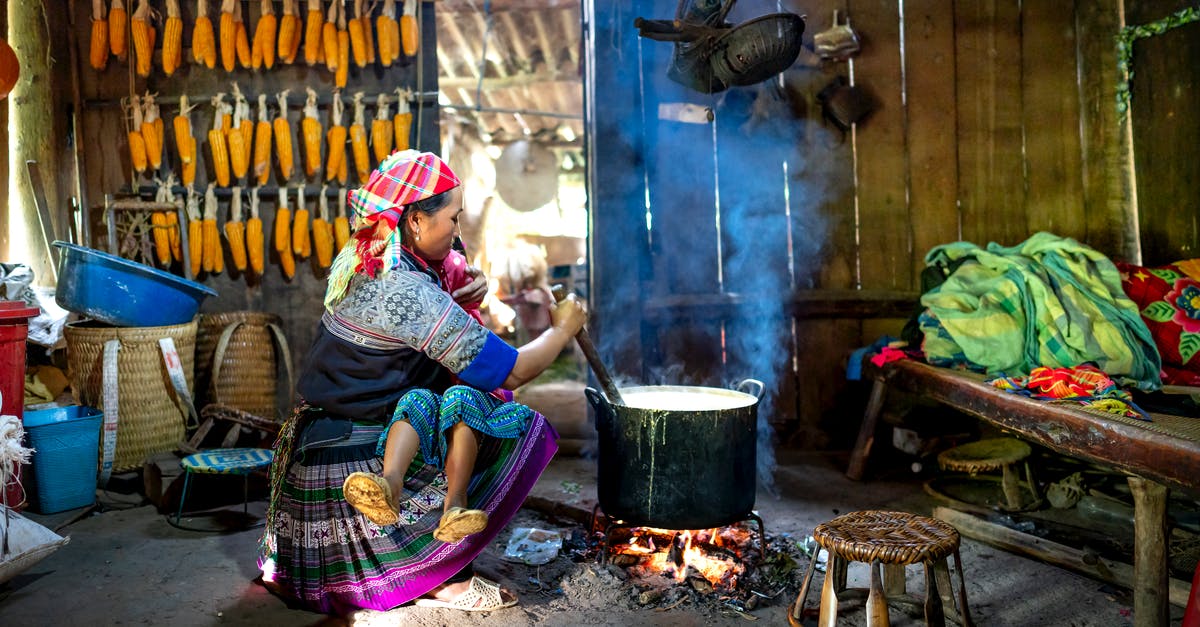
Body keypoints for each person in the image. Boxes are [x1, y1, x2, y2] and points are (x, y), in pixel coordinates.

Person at [258, 150, 587, 614]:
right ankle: (435, 572)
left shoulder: (368, 257)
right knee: (507, 421)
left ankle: (431, 536)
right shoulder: (406, 290)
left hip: (317, 451)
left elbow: (419, 315)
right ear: (414, 221)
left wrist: (459, 292)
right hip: (348, 460)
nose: (457, 230)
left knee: (446, 405)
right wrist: (562, 330)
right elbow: (511, 369)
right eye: (453, 219)